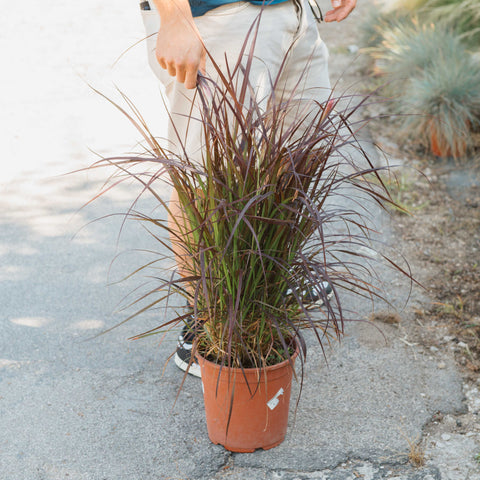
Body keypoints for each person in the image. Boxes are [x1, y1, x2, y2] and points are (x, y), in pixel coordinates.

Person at [139, 0, 357, 376]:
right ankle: (207, 321)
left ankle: (264, 295)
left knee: (295, 159)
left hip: (295, 14)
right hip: (219, 18)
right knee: (207, 175)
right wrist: (174, 17)